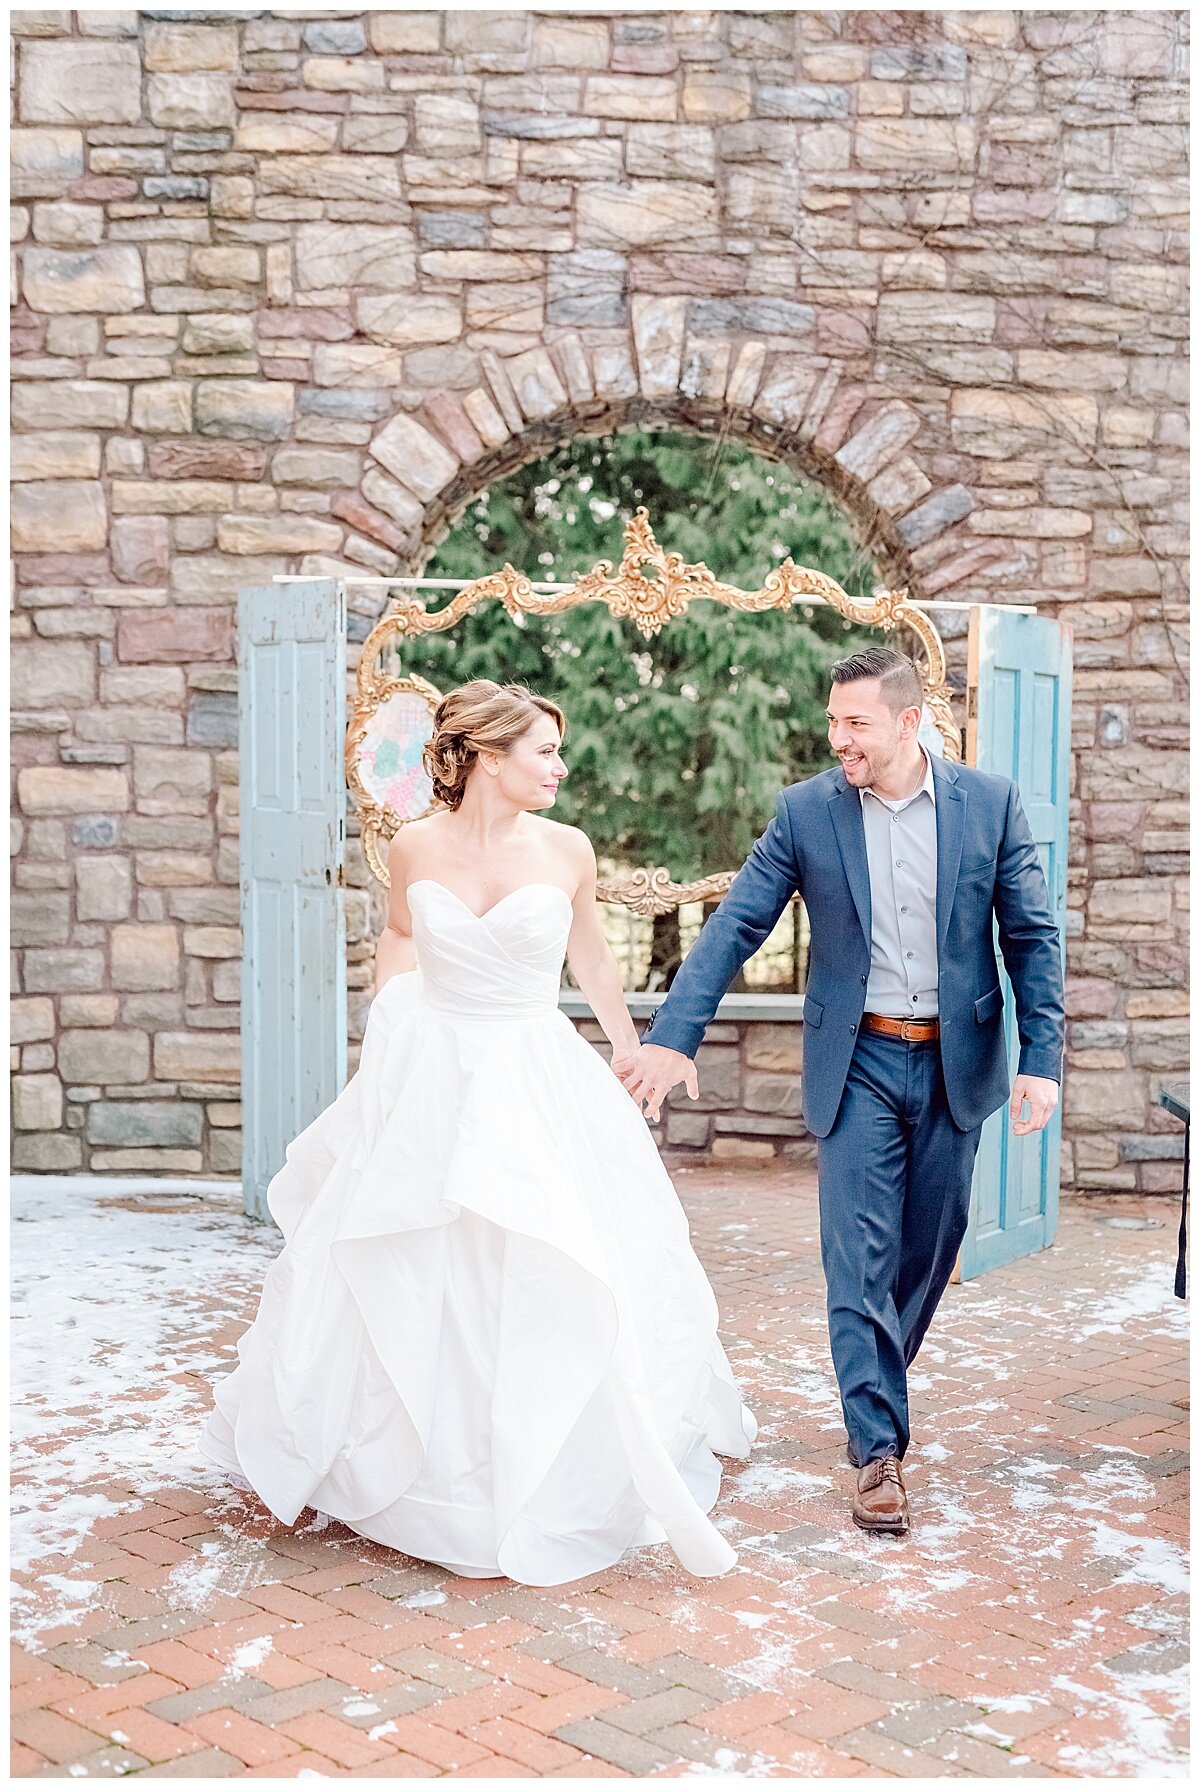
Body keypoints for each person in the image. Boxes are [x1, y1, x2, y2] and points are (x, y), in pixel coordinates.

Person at [201, 680, 755, 1586]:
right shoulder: (415, 844)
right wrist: (393, 1019)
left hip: (535, 1070)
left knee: (541, 1248)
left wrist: (631, 1050)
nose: (561, 768)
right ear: (491, 757)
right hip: (438, 1074)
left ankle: (538, 1457)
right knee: (424, 1252)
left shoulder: (567, 848)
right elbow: (398, 936)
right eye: (545, 752)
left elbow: (590, 959)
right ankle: (424, 1466)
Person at [620, 646, 1064, 1537]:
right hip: (856, 1060)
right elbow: (736, 925)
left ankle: (876, 1393)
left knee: (927, 1257)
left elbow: (1031, 937)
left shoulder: (991, 804)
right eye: (833, 721)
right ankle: (878, 1455)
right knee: (856, 1263)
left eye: (856, 723)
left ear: (908, 722)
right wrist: (672, 1038)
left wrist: (1040, 1058)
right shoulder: (807, 812)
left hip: (954, 1062)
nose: (839, 739)